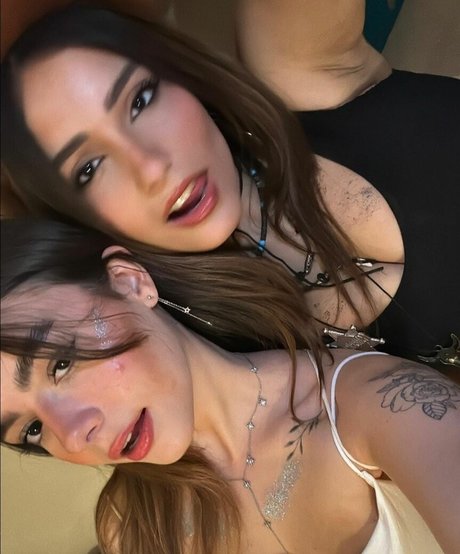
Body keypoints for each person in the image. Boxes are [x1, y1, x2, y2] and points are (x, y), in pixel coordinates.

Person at [1, 5, 459, 370]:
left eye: (141, 100)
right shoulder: (219, 354)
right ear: (78, 219)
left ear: (181, 74)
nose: (151, 166)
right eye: (89, 167)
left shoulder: (296, 69)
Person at [1, 219, 459, 554]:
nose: (72, 435)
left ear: (130, 282)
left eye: (61, 363)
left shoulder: (379, 404)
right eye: (32, 429)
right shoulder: (131, 527)